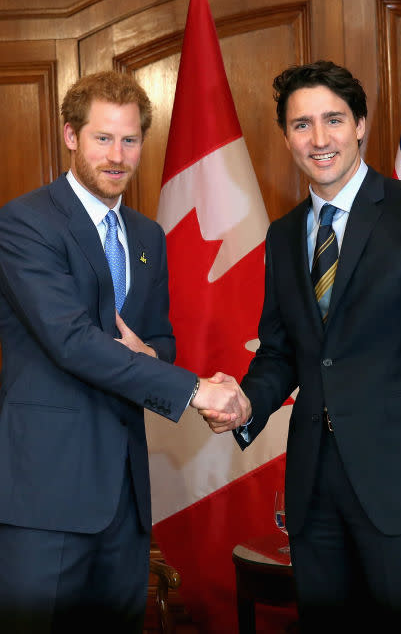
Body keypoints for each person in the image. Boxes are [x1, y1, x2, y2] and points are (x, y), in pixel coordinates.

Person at [203, 60, 401, 632]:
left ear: (360, 124)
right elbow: (282, 351)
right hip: (314, 488)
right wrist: (249, 403)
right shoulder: (282, 236)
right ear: (285, 137)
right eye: (302, 125)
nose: (320, 138)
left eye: (334, 120)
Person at [0, 70, 249, 634]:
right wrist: (196, 389)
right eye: (102, 138)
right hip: (47, 495)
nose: (117, 155)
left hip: (125, 500)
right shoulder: (25, 222)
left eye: (130, 140)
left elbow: (156, 340)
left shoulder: (145, 236)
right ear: (70, 136)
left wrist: (155, 360)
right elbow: (69, 340)